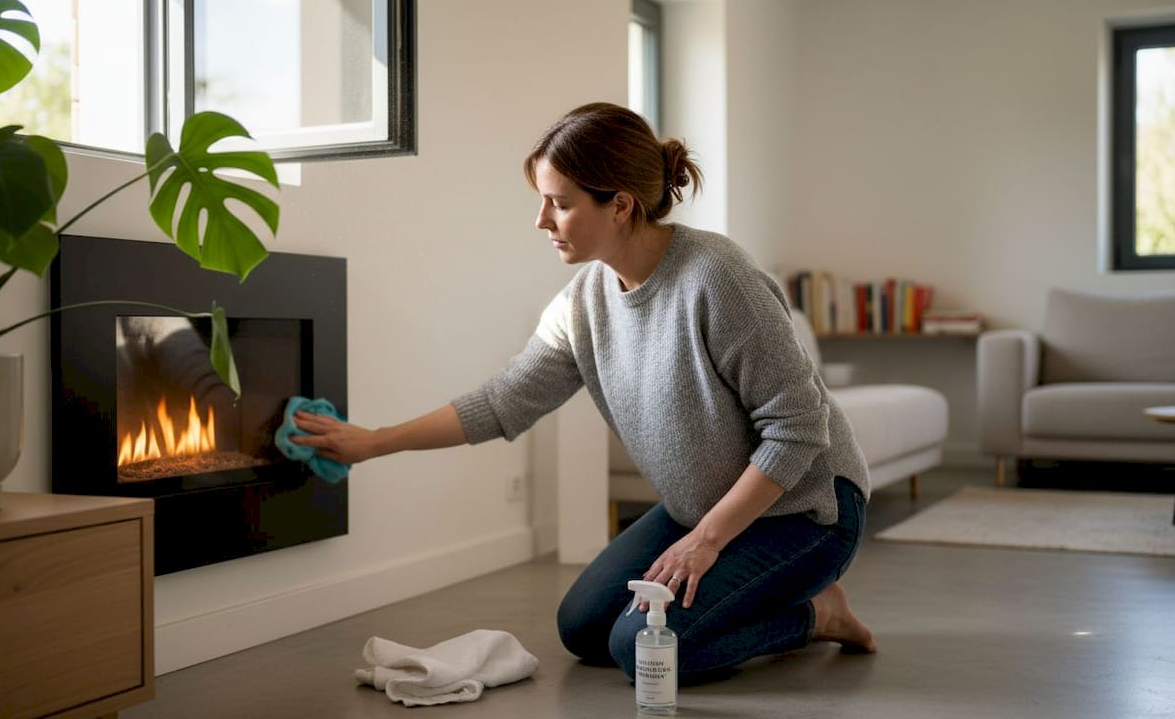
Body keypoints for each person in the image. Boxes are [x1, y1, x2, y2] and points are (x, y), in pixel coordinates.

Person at [290, 102, 877, 683]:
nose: (541, 220)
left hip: (806, 512)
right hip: (701, 509)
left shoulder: (718, 278)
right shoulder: (584, 302)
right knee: (583, 629)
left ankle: (817, 615)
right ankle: (765, 592)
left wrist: (706, 541)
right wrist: (373, 442)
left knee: (642, 650)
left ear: (620, 205)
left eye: (561, 203)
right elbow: (504, 400)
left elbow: (798, 428)